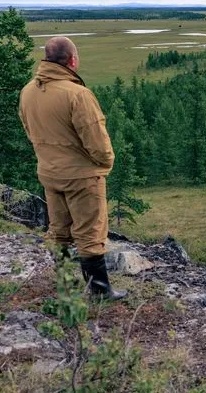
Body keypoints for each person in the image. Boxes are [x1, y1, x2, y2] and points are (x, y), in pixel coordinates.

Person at [19, 36, 127, 301]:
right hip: (81, 176)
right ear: (72, 61)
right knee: (90, 231)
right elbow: (97, 141)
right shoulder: (78, 94)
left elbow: (29, 131)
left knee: (59, 231)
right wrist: (104, 163)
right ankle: (100, 291)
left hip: (49, 173)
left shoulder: (28, 91)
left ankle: (65, 287)